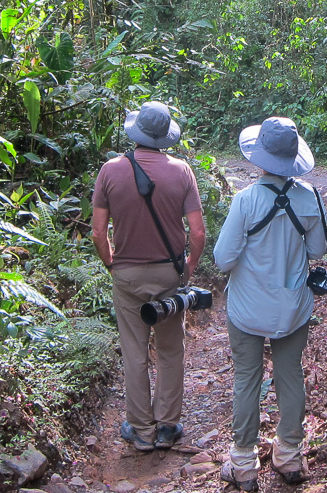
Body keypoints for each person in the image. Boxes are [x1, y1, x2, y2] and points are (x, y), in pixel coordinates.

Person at [214, 117, 327, 492]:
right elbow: (317, 251)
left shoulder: (246, 200)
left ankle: (243, 464)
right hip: (293, 307)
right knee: (290, 374)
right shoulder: (309, 197)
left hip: (247, 308)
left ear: (259, 157)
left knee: (247, 379)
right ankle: (289, 455)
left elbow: (223, 258)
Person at [92, 101, 206, 452]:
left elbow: (98, 232)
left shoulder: (110, 171)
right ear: (165, 137)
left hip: (126, 273)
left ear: (136, 132)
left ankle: (141, 430)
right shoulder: (182, 171)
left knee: (134, 351)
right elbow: (198, 233)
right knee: (171, 350)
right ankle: (167, 427)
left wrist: (113, 264)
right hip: (169, 273)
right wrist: (188, 268)